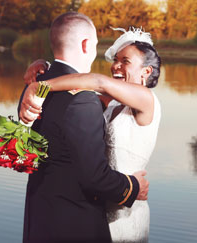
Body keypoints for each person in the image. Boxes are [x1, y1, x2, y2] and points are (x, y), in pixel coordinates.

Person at [20, 27, 161, 243]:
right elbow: (73, 92)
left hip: (127, 207)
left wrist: (41, 85)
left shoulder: (146, 98)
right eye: (116, 59)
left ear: (146, 72)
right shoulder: (112, 101)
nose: (116, 66)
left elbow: (97, 81)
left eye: (126, 61)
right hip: (103, 203)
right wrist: (44, 66)